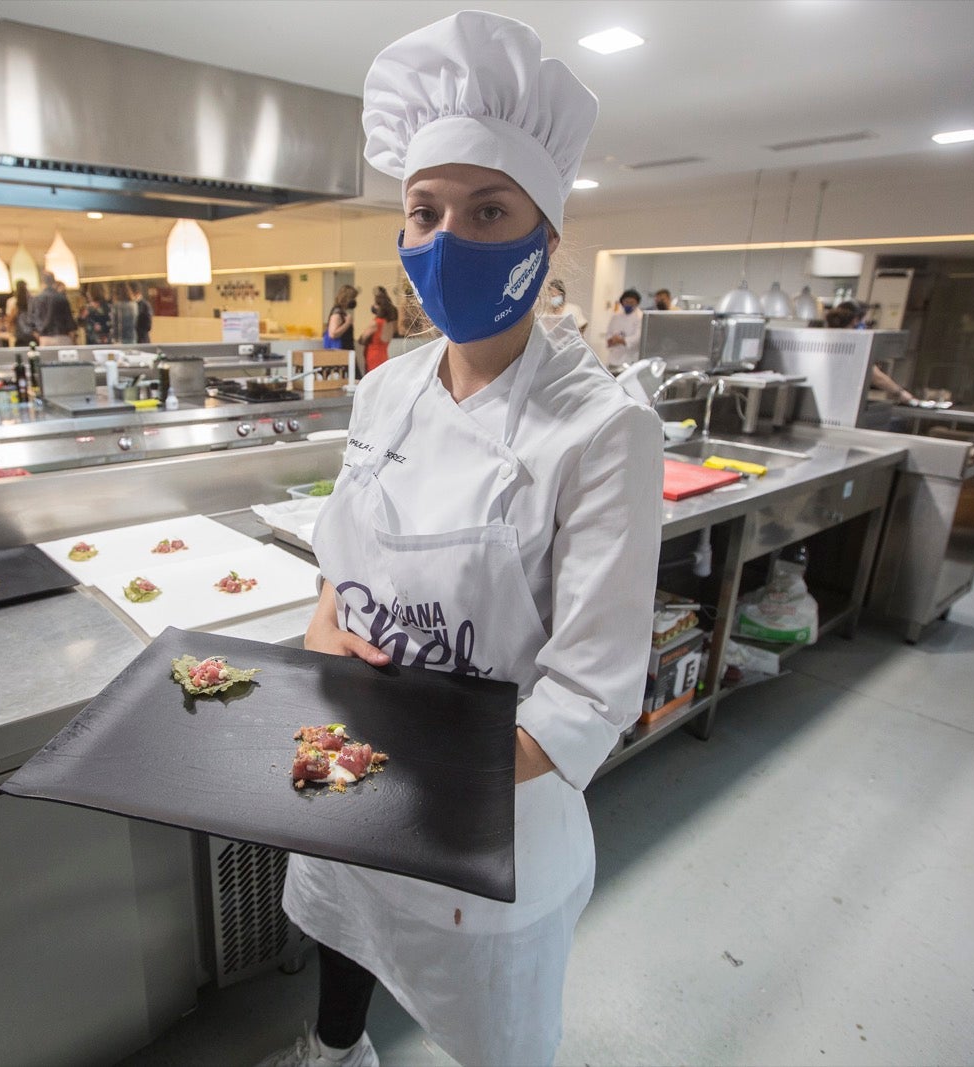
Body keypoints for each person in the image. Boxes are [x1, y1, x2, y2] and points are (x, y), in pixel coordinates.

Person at [262, 12, 659, 1067]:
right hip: (354, 784)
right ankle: (334, 1054)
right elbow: (337, 576)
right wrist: (322, 638)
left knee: (495, 1031)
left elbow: (588, 697)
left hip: (487, 818)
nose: (448, 239)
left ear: (544, 234)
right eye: (424, 210)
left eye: (488, 210)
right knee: (337, 934)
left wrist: (410, 772)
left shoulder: (602, 426)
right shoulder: (385, 385)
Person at [29, 271, 78, 344]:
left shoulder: (36, 299)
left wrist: (39, 335)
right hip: (62, 336)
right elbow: (69, 320)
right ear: (54, 282)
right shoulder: (61, 298)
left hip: (45, 337)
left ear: (42, 283)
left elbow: (31, 322)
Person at [357, 286, 396, 374]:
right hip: (384, 355)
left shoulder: (376, 323)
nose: (373, 306)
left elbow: (362, 339)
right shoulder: (389, 323)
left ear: (379, 307)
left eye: (375, 304)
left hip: (373, 356)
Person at [604, 288, 643, 365]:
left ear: (637, 303)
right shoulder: (616, 316)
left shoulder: (640, 317)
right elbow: (609, 333)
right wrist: (611, 340)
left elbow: (638, 337)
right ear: (622, 302)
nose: (628, 304)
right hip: (614, 356)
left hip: (630, 357)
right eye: (626, 302)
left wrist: (622, 340)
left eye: (632, 302)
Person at [325, 285, 358, 350]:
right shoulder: (337, 313)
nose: (354, 301)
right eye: (352, 298)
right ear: (346, 298)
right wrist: (347, 323)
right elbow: (333, 334)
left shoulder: (342, 312)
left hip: (347, 351)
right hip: (341, 353)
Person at [7, 280, 36, 345]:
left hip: (18, 334)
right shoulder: (32, 300)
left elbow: (10, 318)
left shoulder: (12, 301)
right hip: (32, 332)